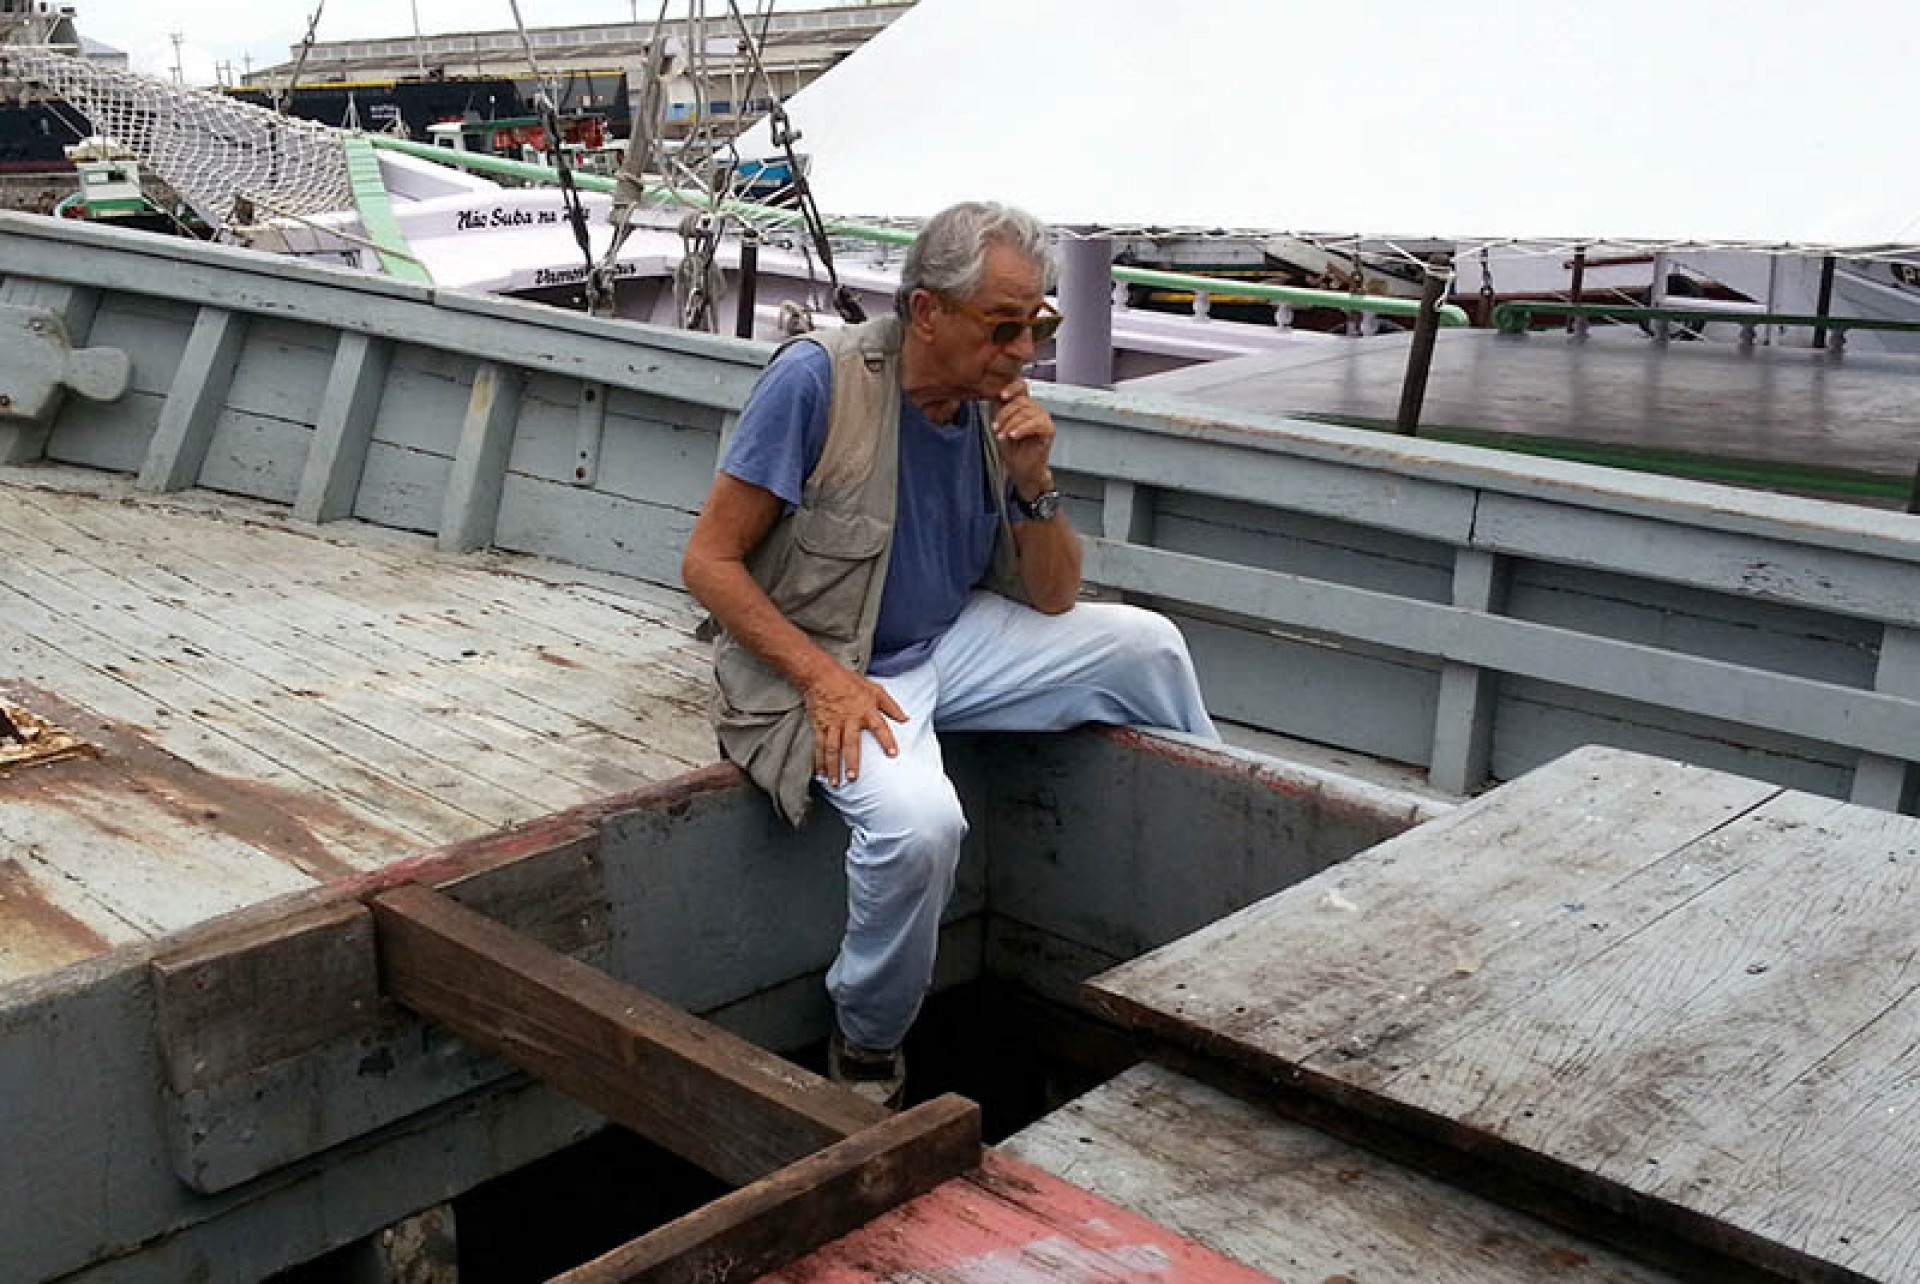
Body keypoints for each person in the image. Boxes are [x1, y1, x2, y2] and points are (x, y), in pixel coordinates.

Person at [681, 200, 1217, 1106]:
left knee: (1147, 646)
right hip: (839, 662)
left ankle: (1211, 878)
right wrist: (822, 680)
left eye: (1037, 325)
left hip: (946, 642)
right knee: (921, 828)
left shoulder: (983, 412)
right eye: (1003, 326)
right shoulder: (820, 382)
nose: (1023, 352)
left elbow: (1053, 596)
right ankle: (867, 1048)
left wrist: (1035, 482)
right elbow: (708, 562)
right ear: (928, 313)